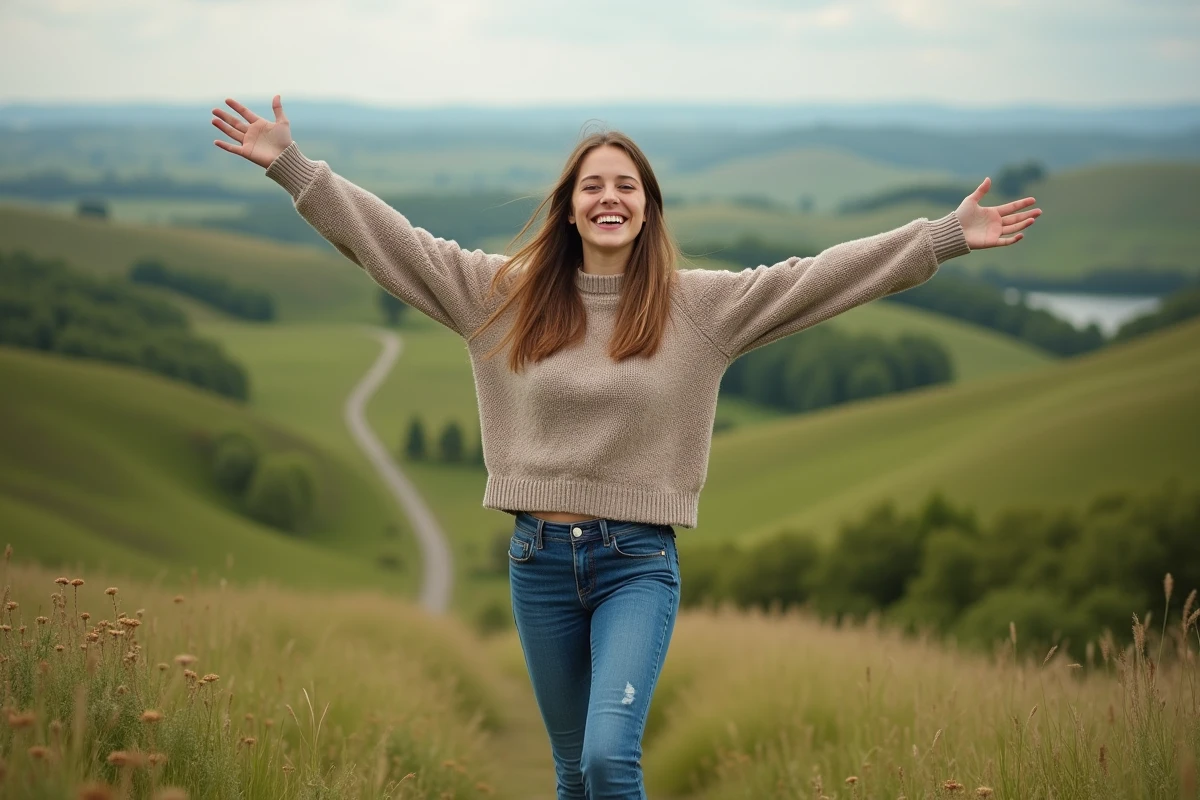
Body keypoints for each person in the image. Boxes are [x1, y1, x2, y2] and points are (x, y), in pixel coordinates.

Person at [212, 95, 1041, 799]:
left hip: (636, 563)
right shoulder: (500, 295)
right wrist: (294, 167)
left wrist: (941, 237)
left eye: (627, 185)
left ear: (648, 205)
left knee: (611, 756)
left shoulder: (700, 308)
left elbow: (817, 276)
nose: (610, 198)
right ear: (569, 204)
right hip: (537, 561)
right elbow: (388, 242)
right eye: (592, 185)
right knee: (573, 774)